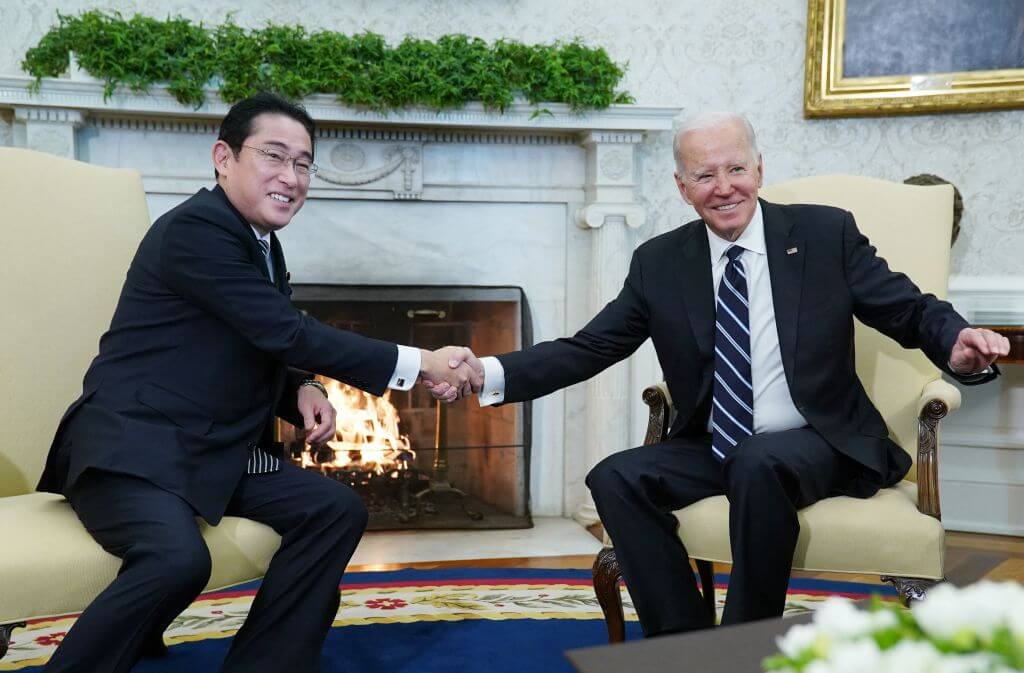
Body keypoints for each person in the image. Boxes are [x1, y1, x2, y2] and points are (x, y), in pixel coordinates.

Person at [429, 112, 1008, 636]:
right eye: (705, 176)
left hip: (821, 439)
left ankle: (739, 648)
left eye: (736, 168)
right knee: (615, 477)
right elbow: (590, 347)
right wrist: (488, 371)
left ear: (760, 168)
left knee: (760, 461)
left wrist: (956, 341)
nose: (724, 187)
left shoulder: (823, 234)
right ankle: (682, 643)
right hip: (715, 442)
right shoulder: (659, 262)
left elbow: (906, 308)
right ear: (682, 188)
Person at [36, 92, 481, 673]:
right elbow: (285, 330)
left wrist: (302, 388)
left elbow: (254, 340)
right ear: (223, 157)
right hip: (135, 449)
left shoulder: (260, 243)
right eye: (274, 156)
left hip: (216, 450)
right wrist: (421, 362)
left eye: (303, 163)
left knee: (335, 509)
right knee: (177, 561)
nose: (291, 177)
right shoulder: (196, 231)